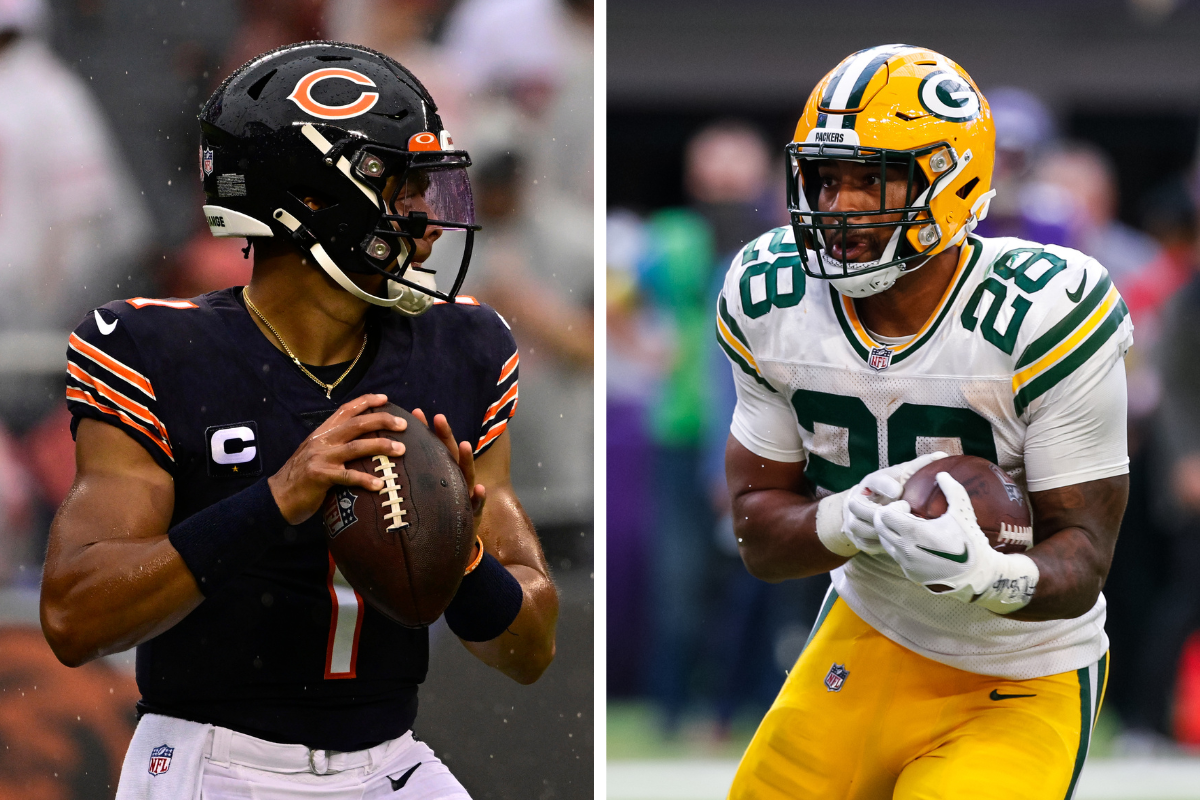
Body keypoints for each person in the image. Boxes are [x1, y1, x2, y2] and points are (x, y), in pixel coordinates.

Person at [39, 42, 558, 799]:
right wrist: (274, 499)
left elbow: (531, 648)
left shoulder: (465, 346)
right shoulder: (157, 350)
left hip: (393, 761)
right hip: (213, 761)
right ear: (312, 199)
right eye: (404, 188)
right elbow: (73, 617)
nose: (433, 221)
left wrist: (462, 558)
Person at [718, 45, 1130, 798]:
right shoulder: (768, 293)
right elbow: (756, 533)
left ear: (951, 180)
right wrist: (856, 516)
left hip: (1022, 672)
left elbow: (1087, 556)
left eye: (870, 179)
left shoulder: (1046, 311)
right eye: (824, 177)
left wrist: (988, 574)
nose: (837, 206)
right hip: (874, 629)